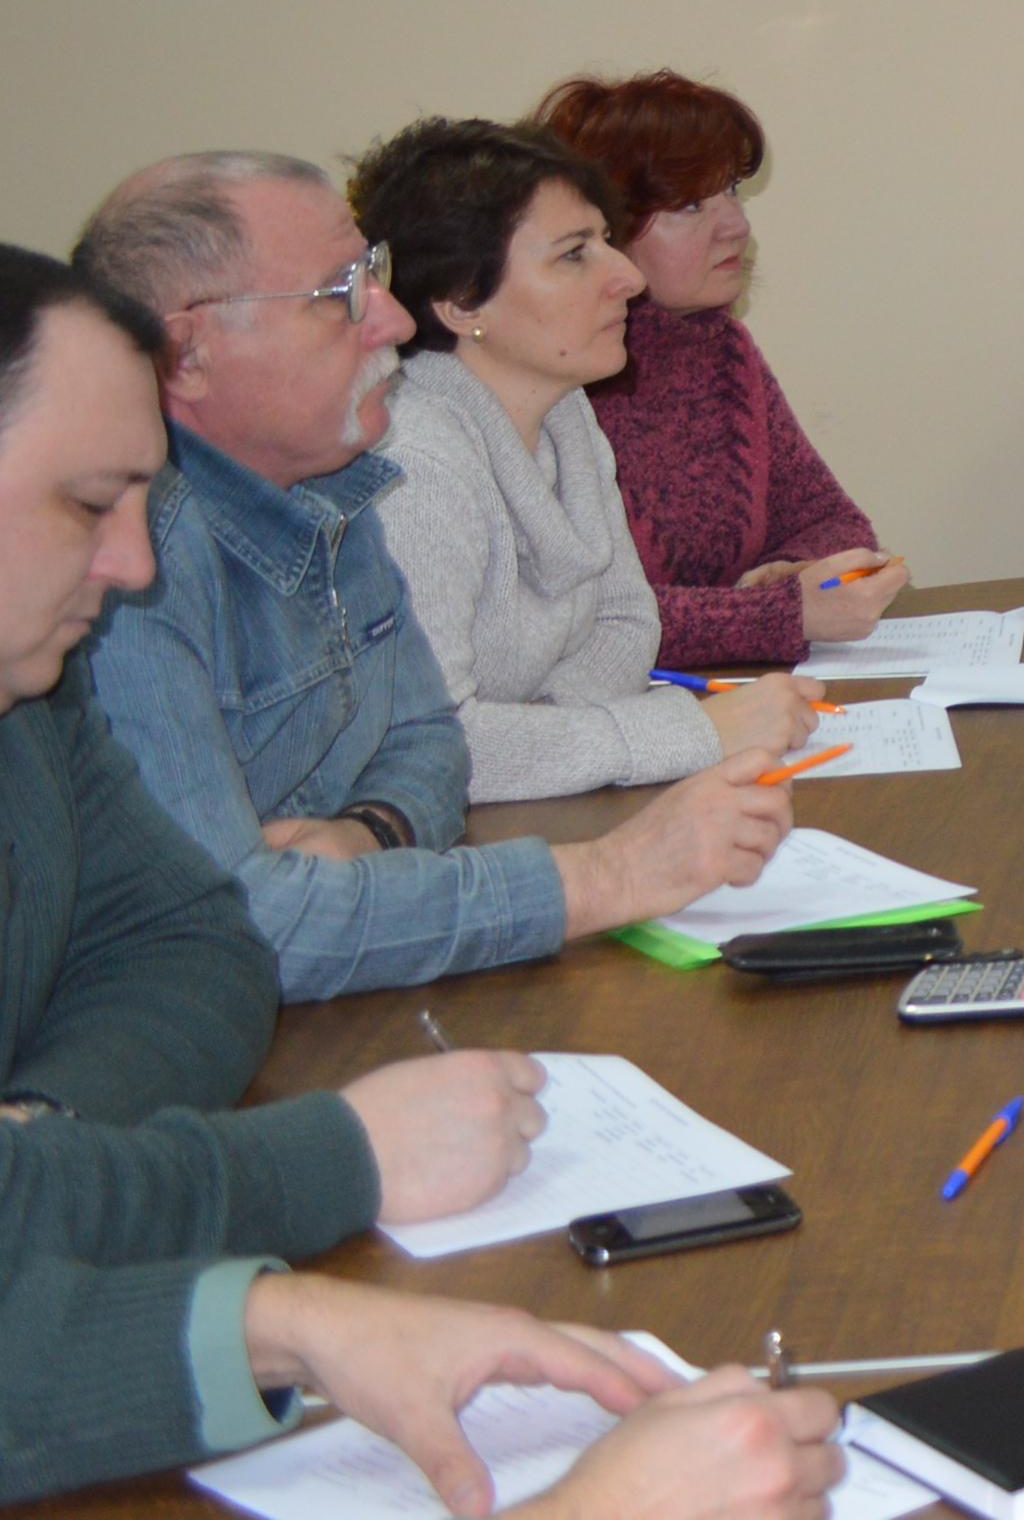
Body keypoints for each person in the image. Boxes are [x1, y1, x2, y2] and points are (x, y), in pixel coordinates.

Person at [0, 246, 837, 1513]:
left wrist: (50, 1157)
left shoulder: (31, 686)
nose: (130, 562)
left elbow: (195, 943)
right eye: (83, 504)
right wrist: (320, 1168)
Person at [72, 156, 794, 1000]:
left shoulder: (337, 480)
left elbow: (429, 742)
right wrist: (612, 875)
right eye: (340, 293)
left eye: (373, 274)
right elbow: (238, 927)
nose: (391, 318)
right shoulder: (129, 571)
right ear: (186, 356)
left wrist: (369, 831)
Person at [344, 122, 820, 806]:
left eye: (605, 241)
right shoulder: (414, 470)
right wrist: (685, 731)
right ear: (461, 302)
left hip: (535, 807)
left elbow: (627, 624)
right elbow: (429, 749)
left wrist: (542, 737)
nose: (628, 277)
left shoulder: (565, 415)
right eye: (574, 255)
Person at [530, 77, 911, 671]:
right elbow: (574, 621)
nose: (736, 224)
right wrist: (776, 613)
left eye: (732, 190)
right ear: (604, 230)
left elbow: (831, 521)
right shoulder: (550, 375)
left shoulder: (721, 348)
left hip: (731, 692)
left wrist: (792, 573)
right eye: (690, 204)